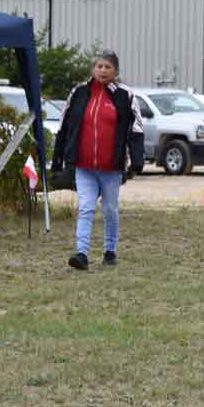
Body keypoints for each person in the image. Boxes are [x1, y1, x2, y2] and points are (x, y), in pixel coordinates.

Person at [54, 51, 144, 270]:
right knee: (85, 207)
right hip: (83, 165)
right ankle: (81, 254)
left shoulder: (126, 95)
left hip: (111, 166)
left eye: (108, 67)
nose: (103, 70)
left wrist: (137, 159)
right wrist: (58, 158)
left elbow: (136, 128)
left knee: (110, 209)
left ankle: (110, 250)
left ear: (116, 71)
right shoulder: (79, 93)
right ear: (93, 69)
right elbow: (64, 125)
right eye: (99, 66)